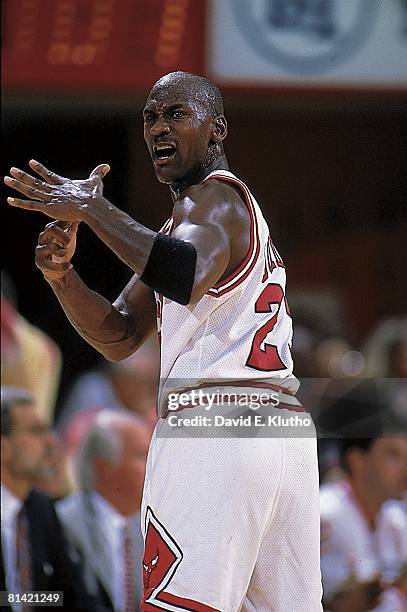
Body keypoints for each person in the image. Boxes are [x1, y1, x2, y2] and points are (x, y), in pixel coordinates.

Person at [5, 71, 322, 610]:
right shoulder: (190, 226)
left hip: (214, 428)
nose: (158, 128)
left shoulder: (216, 200)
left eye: (176, 114)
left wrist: (90, 207)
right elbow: (120, 335)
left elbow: (182, 273)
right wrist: (63, 277)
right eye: (150, 117)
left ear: (216, 128)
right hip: (279, 434)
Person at [0, 386, 106, 611]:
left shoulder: (41, 509)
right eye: (36, 431)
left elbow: (70, 596)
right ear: (3, 447)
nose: (51, 443)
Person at [56, 410, 150, 611]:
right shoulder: (63, 523)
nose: (152, 466)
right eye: (141, 455)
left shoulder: (144, 528)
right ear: (105, 467)